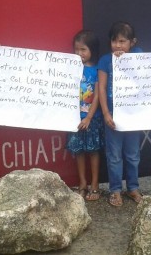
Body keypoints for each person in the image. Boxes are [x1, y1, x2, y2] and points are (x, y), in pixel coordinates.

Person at [98, 21, 143, 207]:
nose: (118, 45)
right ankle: (115, 190)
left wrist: (125, 60)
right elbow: (101, 88)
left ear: (132, 42)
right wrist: (106, 113)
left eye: (122, 41)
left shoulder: (138, 56)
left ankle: (133, 187)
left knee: (133, 155)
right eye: (114, 41)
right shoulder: (105, 61)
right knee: (114, 155)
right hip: (113, 116)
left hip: (133, 116)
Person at [66, 30, 103, 202]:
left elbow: (97, 96)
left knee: (93, 152)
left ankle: (95, 184)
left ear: (92, 50)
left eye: (83, 50)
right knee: (79, 151)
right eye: (76, 49)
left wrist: (88, 117)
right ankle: (82, 184)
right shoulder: (70, 69)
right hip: (73, 118)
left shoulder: (97, 70)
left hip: (92, 119)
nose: (79, 54)